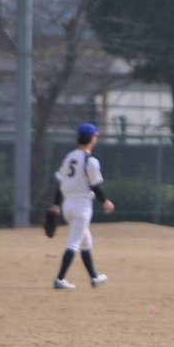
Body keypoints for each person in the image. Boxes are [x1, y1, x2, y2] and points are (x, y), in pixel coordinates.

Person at [49, 123, 115, 290]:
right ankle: (60, 279)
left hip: (67, 205)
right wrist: (105, 202)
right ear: (92, 139)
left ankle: (94, 277)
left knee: (86, 240)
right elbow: (95, 186)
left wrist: (56, 204)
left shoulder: (69, 157)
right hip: (82, 207)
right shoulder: (90, 161)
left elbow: (60, 182)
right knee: (74, 243)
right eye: (95, 136)